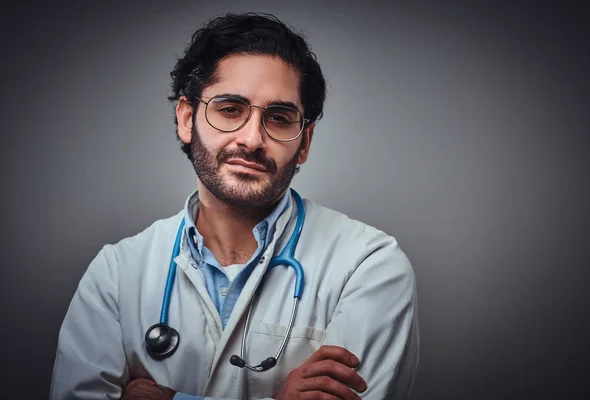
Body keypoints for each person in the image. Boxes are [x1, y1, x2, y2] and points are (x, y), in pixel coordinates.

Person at [49, 12, 419, 400]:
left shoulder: (370, 265)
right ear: (187, 119)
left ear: (304, 141)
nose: (252, 138)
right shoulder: (117, 273)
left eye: (278, 118)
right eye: (230, 109)